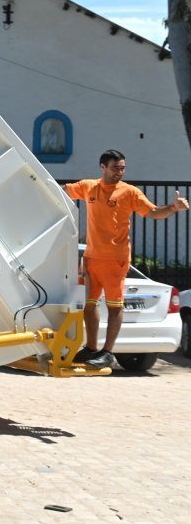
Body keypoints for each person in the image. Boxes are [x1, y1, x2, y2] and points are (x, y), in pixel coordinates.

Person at [65, 149, 188, 368]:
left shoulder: (130, 192)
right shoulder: (88, 187)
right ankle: (91, 348)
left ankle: (107, 352)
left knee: (114, 306)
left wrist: (172, 207)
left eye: (122, 168)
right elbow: (62, 191)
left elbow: (153, 212)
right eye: (115, 168)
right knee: (90, 306)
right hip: (92, 257)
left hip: (116, 259)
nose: (120, 172)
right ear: (103, 167)